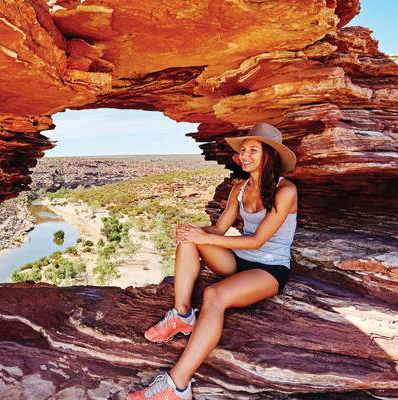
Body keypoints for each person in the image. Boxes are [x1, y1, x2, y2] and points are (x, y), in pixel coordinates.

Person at [127, 122, 298, 400]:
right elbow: (218, 230)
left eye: (253, 151)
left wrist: (204, 237)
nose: (245, 156)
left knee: (214, 295)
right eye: (243, 150)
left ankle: (176, 386)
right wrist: (192, 232)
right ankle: (182, 314)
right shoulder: (239, 189)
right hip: (240, 259)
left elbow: (258, 241)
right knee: (189, 238)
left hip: (269, 269)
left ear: (270, 155)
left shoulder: (286, 191)